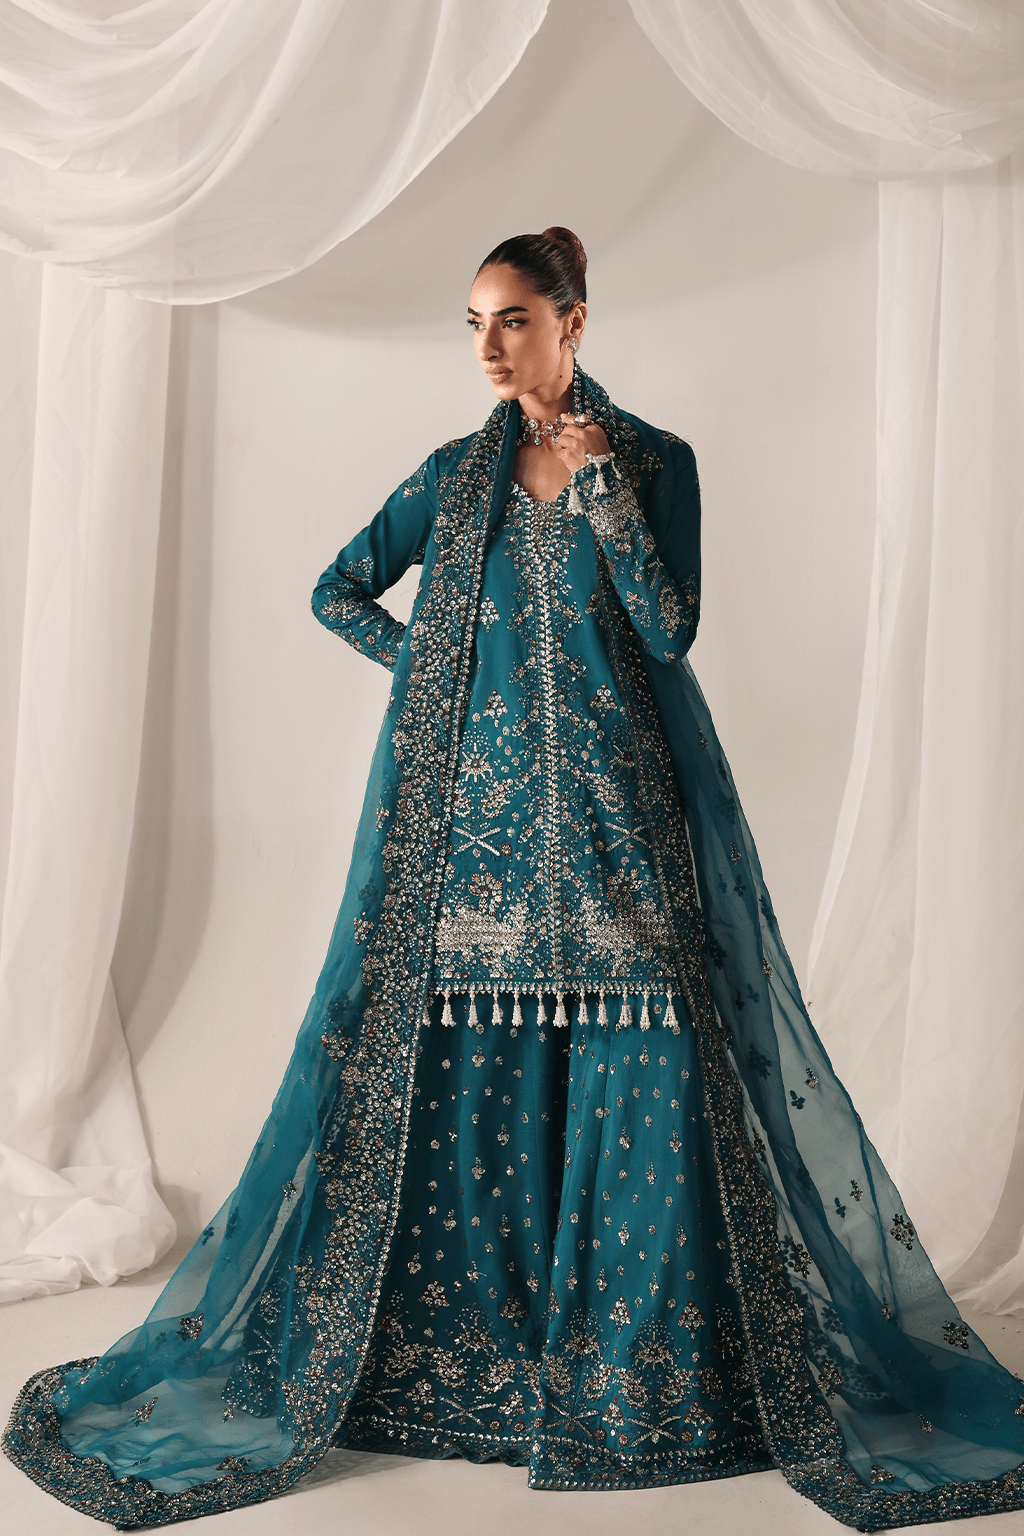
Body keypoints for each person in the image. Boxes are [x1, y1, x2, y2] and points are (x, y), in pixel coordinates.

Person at [5, 228, 1024, 1532]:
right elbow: (337, 589)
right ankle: (473, 1361)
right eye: (476, 322)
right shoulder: (451, 478)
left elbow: (668, 628)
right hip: (474, 835)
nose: (489, 345)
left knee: (650, 1068)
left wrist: (603, 492)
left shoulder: (655, 461)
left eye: (514, 319)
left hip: (618, 826)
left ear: (573, 321)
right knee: (471, 1079)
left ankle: (643, 1378)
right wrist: (448, 673)